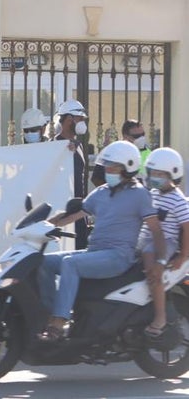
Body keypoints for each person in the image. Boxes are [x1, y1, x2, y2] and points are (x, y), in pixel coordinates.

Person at [36, 140, 163, 342]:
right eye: (107, 166)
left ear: (128, 168)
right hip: (95, 253)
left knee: (70, 263)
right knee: (43, 262)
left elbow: (156, 230)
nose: (108, 171)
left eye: (113, 167)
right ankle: (50, 315)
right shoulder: (101, 192)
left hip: (118, 257)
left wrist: (160, 261)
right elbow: (73, 214)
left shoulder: (139, 194)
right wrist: (42, 225)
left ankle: (59, 323)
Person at [138, 148, 189, 336]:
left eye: (160, 174)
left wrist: (183, 256)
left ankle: (160, 317)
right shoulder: (153, 193)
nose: (154, 178)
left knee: (152, 265)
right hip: (147, 238)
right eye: (152, 173)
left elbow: (187, 228)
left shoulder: (178, 200)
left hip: (166, 241)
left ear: (173, 174)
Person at [54, 99, 91, 248]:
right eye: (80, 119)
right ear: (69, 120)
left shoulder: (78, 145)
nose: (82, 122)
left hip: (78, 209)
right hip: (63, 211)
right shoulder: (55, 146)